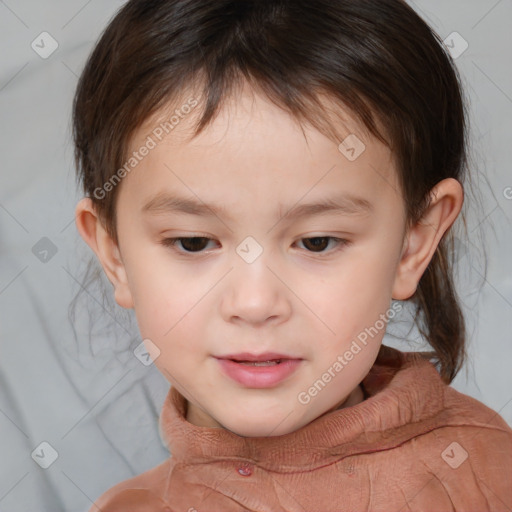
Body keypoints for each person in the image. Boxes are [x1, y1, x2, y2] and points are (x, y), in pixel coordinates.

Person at [72, 0, 512, 510]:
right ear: (115, 255)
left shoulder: (487, 475)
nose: (255, 303)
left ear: (414, 242)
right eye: (192, 242)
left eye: (317, 242)